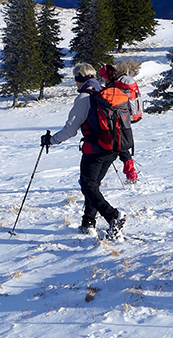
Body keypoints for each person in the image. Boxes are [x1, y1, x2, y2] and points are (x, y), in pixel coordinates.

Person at [42, 62, 128, 241]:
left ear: (79, 80)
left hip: (94, 150)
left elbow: (70, 129)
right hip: (112, 148)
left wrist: (51, 140)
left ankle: (112, 216)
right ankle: (88, 223)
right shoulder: (104, 91)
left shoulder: (85, 98)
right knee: (92, 187)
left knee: (88, 186)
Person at [99, 62, 142, 182]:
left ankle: (94, 180)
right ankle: (131, 174)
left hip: (115, 122)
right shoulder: (118, 85)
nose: (102, 78)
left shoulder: (112, 88)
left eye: (102, 76)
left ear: (106, 76)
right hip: (125, 120)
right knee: (123, 148)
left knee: (117, 149)